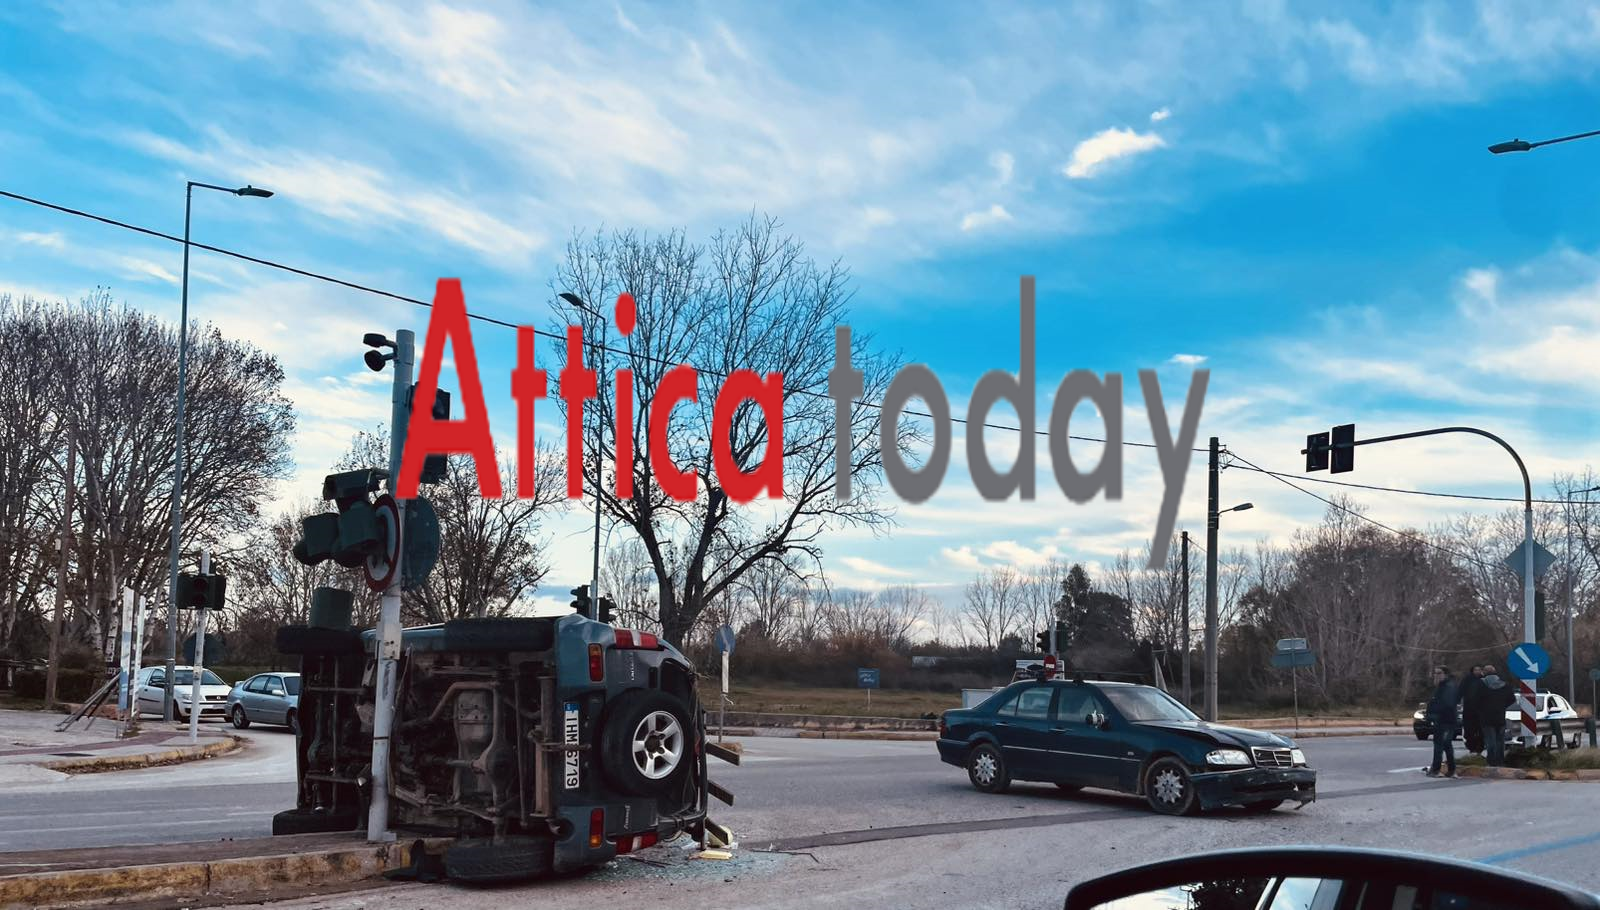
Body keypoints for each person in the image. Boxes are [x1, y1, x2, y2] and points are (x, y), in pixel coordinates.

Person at [1472, 665, 1515, 767]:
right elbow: (1512, 699)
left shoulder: (1480, 684)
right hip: (1500, 717)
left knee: (1490, 740)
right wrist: (1502, 706)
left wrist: (1480, 710)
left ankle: (1491, 761)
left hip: (1486, 718)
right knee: (1500, 740)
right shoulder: (1505, 685)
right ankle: (1500, 761)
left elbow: (1474, 700)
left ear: (1484, 673)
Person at [1423, 665, 1460, 778]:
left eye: (1439, 673)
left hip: (1445, 721)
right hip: (1444, 720)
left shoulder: (1448, 687)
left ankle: (1436, 770)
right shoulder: (1442, 686)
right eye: (1435, 673)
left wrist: (1435, 714)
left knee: (1439, 745)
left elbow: (1447, 704)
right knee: (1446, 745)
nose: (1436, 675)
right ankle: (1451, 770)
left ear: (1446, 674)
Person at [1460, 665, 1485, 755]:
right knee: (1469, 730)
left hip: (1481, 710)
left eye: (1479, 670)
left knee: (1481, 730)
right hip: (1469, 709)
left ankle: (1479, 748)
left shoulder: (1484, 680)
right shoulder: (1467, 680)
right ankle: (1471, 747)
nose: (1477, 671)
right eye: (1476, 670)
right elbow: (1460, 691)